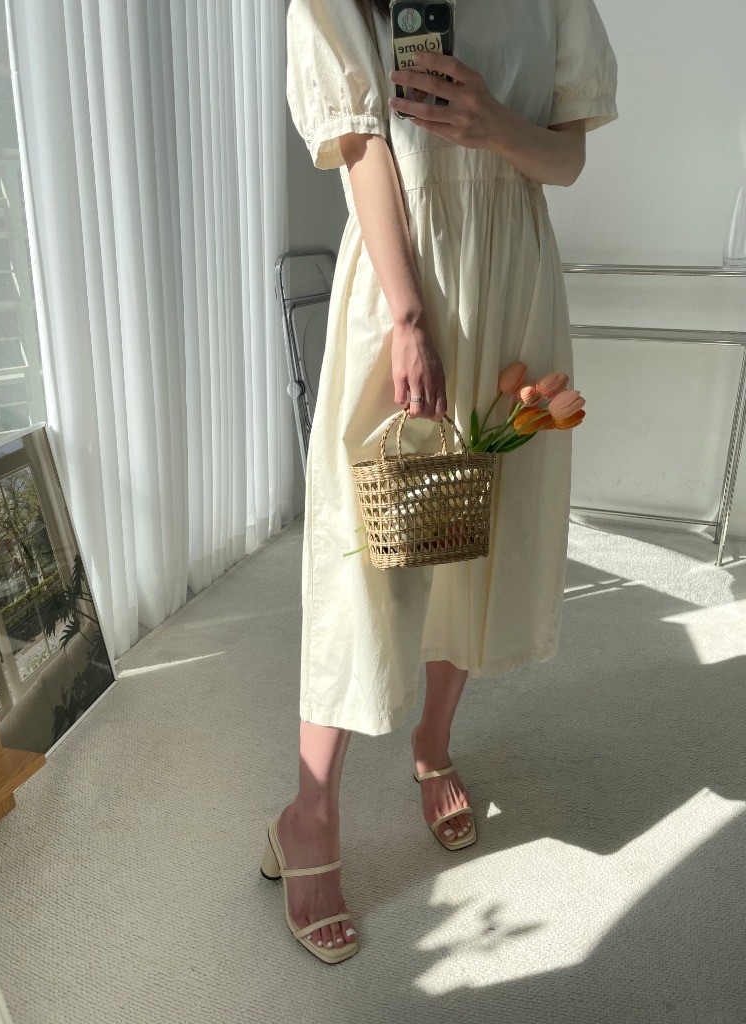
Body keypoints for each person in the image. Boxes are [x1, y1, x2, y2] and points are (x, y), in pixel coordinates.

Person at [263, 0, 619, 962]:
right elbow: (359, 142)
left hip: (511, 277)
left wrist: (493, 124)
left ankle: (432, 745)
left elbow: (567, 158)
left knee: (471, 530)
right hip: (403, 278)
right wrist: (409, 314)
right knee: (366, 559)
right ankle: (310, 813)